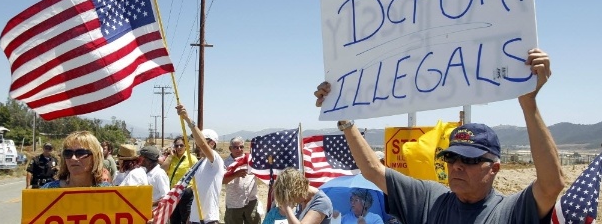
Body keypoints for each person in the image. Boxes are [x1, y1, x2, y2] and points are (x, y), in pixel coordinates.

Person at [314, 48, 564, 223]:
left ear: (494, 168)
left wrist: (528, 103)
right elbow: (372, 170)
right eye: (451, 158)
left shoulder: (510, 211)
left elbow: (552, 185)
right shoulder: (431, 200)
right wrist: (344, 116)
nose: (456, 166)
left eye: (469, 160)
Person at [176, 104, 225, 224]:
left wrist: (187, 119)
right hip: (195, 220)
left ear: (212, 143)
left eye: (202, 139)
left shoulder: (216, 160)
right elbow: (198, 193)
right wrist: (190, 218)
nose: (197, 144)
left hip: (208, 220)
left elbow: (203, 144)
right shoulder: (199, 164)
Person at [41, 131, 111, 188]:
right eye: (68, 153)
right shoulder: (48, 190)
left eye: (81, 153)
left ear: (95, 157)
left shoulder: (108, 192)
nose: (73, 158)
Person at [160, 135, 198, 224]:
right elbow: (162, 170)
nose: (179, 147)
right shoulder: (171, 158)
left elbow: (198, 175)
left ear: (186, 146)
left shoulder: (191, 158)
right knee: (174, 219)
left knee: (185, 219)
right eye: (177, 146)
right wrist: (170, 157)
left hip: (186, 194)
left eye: (181, 145)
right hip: (173, 194)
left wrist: (192, 188)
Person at [223, 136, 261, 224]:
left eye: (241, 147)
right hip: (234, 203)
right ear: (230, 148)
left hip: (251, 201)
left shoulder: (250, 160)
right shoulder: (225, 163)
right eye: (236, 147)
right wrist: (236, 174)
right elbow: (223, 181)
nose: (239, 149)